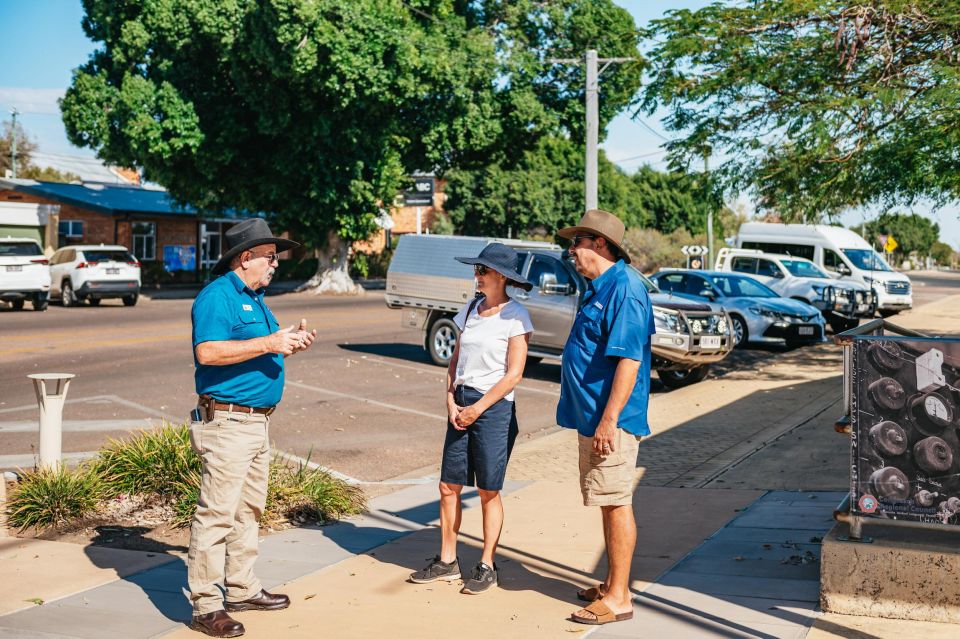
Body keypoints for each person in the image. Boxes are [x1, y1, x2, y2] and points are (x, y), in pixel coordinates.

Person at [187, 218, 317, 638]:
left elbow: (257, 351)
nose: (276, 264)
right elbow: (207, 352)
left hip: (255, 423)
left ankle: (241, 587)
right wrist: (270, 343)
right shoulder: (217, 296)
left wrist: (287, 342)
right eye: (270, 257)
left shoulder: (257, 298)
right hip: (227, 422)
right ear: (246, 258)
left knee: (248, 511)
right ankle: (206, 606)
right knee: (217, 515)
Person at [409, 242, 534, 595]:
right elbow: (455, 362)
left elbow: (513, 375)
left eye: (482, 271)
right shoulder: (469, 310)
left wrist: (478, 409)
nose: (476, 276)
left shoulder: (517, 317)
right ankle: (447, 561)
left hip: (493, 410)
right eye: (476, 270)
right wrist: (450, 401)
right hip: (461, 405)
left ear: (501, 277)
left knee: (488, 490)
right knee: (448, 486)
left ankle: (486, 565)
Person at [555, 209, 655, 626]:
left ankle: (618, 597)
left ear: (599, 244)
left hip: (610, 421)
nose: (570, 251)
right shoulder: (601, 286)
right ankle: (612, 581)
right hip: (594, 418)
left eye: (575, 242)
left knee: (616, 502)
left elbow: (629, 362)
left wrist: (609, 419)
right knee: (606, 499)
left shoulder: (625, 289)